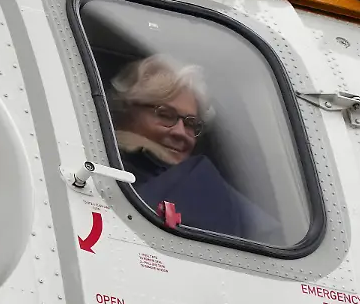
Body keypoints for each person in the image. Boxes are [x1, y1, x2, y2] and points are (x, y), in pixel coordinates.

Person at [107, 54, 280, 243]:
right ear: (128, 110)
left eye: (191, 124)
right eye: (165, 115)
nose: (180, 132)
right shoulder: (105, 164)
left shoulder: (197, 181)